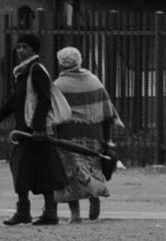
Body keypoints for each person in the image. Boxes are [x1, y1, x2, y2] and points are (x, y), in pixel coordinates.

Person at [0, 31, 67, 225]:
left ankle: (49, 213)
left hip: (35, 133)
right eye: (18, 47)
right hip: (24, 131)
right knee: (21, 170)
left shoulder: (36, 70)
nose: (20, 50)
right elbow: (12, 103)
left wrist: (37, 128)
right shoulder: (22, 73)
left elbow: (44, 100)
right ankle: (25, 211)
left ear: (34, 50)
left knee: (42, 172)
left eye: (25, 47)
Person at [47, 45, 119, 222]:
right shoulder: (94, 81)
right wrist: (106, 137)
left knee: (72, 172)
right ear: (80, 61)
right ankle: (94, 197)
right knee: (93, 167)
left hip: (68, 134)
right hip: (94, 133)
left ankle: (75, 215)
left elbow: (53, 112)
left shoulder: (58, 86)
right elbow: (107, 110)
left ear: (61, 64)